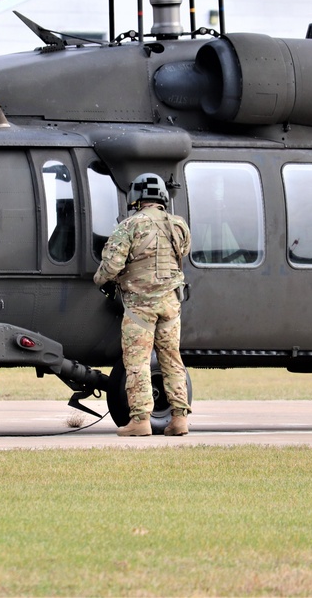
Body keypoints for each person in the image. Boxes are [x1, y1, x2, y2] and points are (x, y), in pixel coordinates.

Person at [94, 172, 192, 437]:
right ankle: (179, 419)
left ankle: (140, 420)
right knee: (172, 360)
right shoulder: (178, 225)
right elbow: (183, 252)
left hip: (140, 306)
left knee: (137, 362)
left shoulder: (130, 226)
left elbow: (112, 265)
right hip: (171, 304)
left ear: (136, 198)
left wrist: (99, 279)